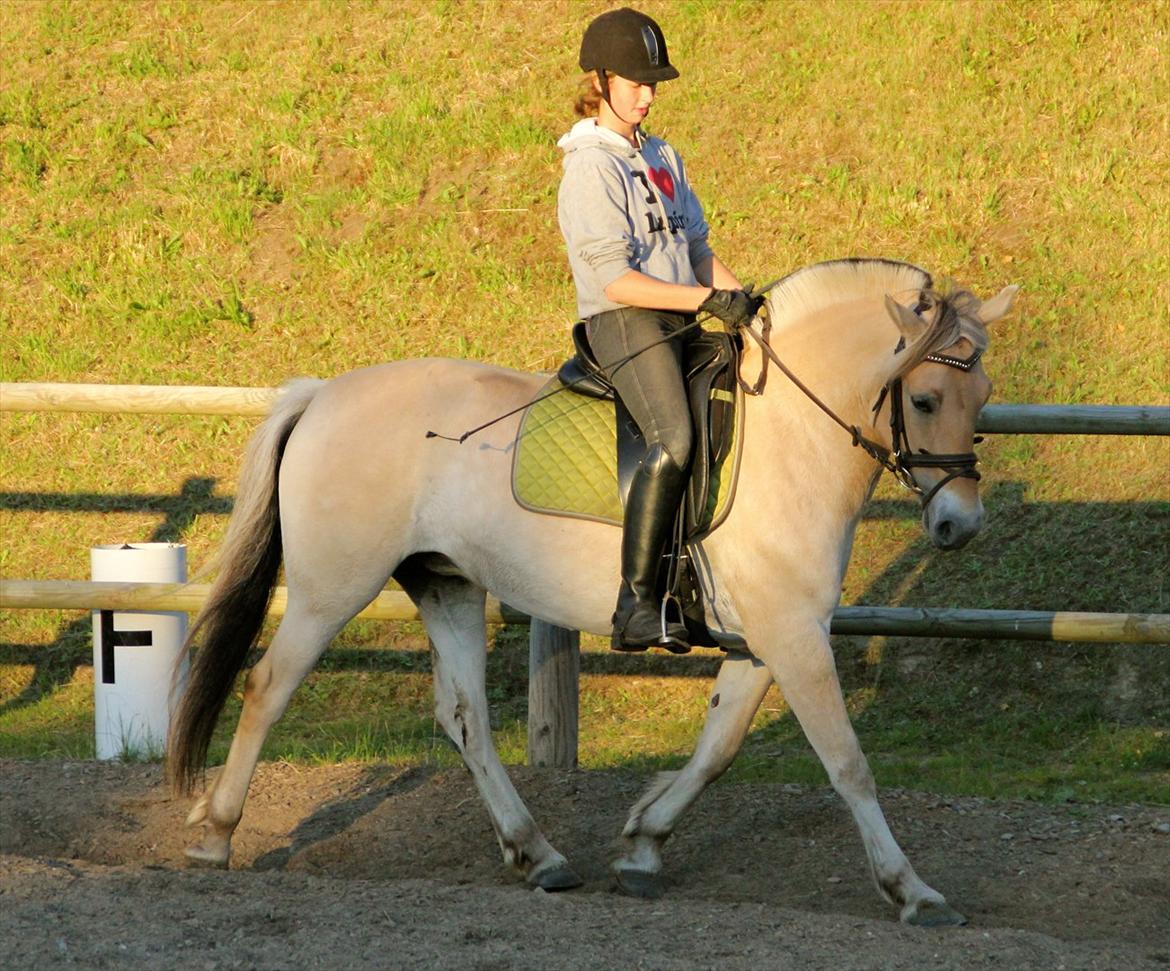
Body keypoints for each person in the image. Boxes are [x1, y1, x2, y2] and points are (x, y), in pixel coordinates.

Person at [556, 7, 760, 654]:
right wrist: (705, 297)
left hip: (676, 315)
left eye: (654, 85)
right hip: (623, 321)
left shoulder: (662, 155)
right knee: (672, 434)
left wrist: (745, 301)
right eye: (637, 82)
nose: (648, 95)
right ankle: (637, 603)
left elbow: (696, 246)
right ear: (602, 79)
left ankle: (695, 586)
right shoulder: (590, 168)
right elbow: (615, 281)